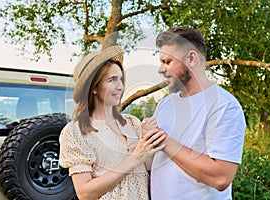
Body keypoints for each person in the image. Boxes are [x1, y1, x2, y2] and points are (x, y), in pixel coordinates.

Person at [143, 26, 246, 199]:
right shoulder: (166, 104)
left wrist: (164, 140)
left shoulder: (224, 106)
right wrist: (146, 140)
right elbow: (152, 164)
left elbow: (221, 177)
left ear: (191, 58)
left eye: (167, 62)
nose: (160, 69)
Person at [59, 46, 166, 200]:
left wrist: (147, 139)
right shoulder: (75, 132)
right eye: (112, 80)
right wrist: (135, 157)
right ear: (93, 88)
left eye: (120, 79)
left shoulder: (132, 123)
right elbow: (84, 193)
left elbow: (147, 171)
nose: (120, 86)